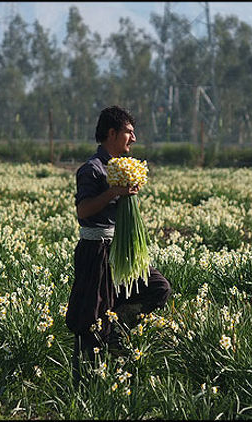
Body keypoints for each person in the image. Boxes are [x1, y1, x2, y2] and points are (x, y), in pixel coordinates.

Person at [65, 105, 172, 384]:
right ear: (111, 133)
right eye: (128, 132)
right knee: (91, 318)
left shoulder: (123, 167)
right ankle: (84, 383)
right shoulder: (92, 169)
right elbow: (83, 211)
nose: (133, 139)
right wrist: (114, 191)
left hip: (122, 250)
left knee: (159, 287)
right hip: (96, 252)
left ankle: (116, 328)